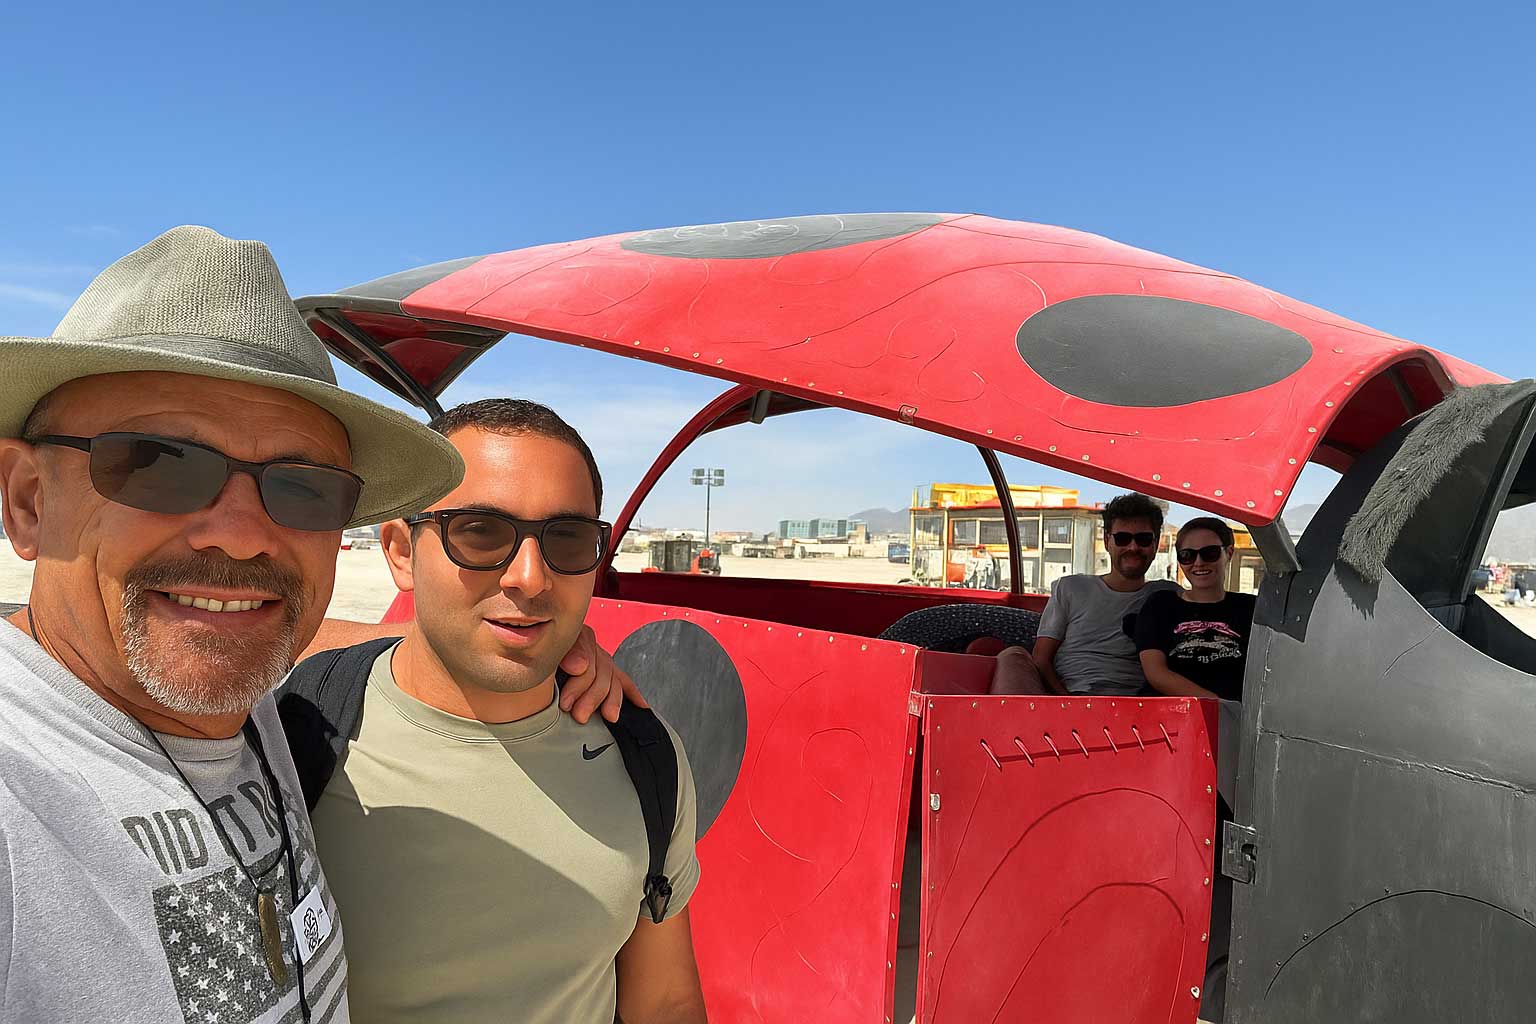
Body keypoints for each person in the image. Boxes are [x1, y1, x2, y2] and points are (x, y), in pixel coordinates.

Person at [0, 227, 633, 1023]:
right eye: (160, 462)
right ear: (27, 500)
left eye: (301, 487)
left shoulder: (254, 704)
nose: (239, 533)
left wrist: (533, 634)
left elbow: (302, 629)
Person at [294, 399, 706, 1024]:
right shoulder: (298, 736)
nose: (531, 578)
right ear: (402, 552)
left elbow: (667, 1001)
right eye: (480, 532)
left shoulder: (644, 754)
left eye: (566, 539)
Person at [990, 492, 1178, 696]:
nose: (1133, 547)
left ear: (1155, 544)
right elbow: (1041, 659)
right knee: (1012, 656)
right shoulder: (1070, 588)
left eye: (1143, 539)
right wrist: (1065, 702)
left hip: (1137, 703)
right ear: (1107, 541)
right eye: (1122, 538)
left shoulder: (1168, 595)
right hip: (1071, 697)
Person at [1134, 517, 1257, 703]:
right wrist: (1217, 705)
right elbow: (1156, 672)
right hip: (1170, 717)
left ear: (1229, 553)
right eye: (1187, 555)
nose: (1198, 562)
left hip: (1235, 722)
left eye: (1210, 553)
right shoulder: (1161, 604)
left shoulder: (1251, 608)